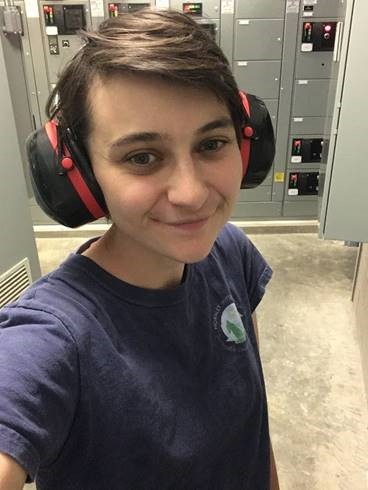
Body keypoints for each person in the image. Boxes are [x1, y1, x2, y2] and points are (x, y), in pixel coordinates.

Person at [0, 9, 279, 490]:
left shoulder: (230, 251)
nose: (190, 194)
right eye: (142, 157)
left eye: (211, 144)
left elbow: (254, 427)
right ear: (81, 176)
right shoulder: (54, 336)